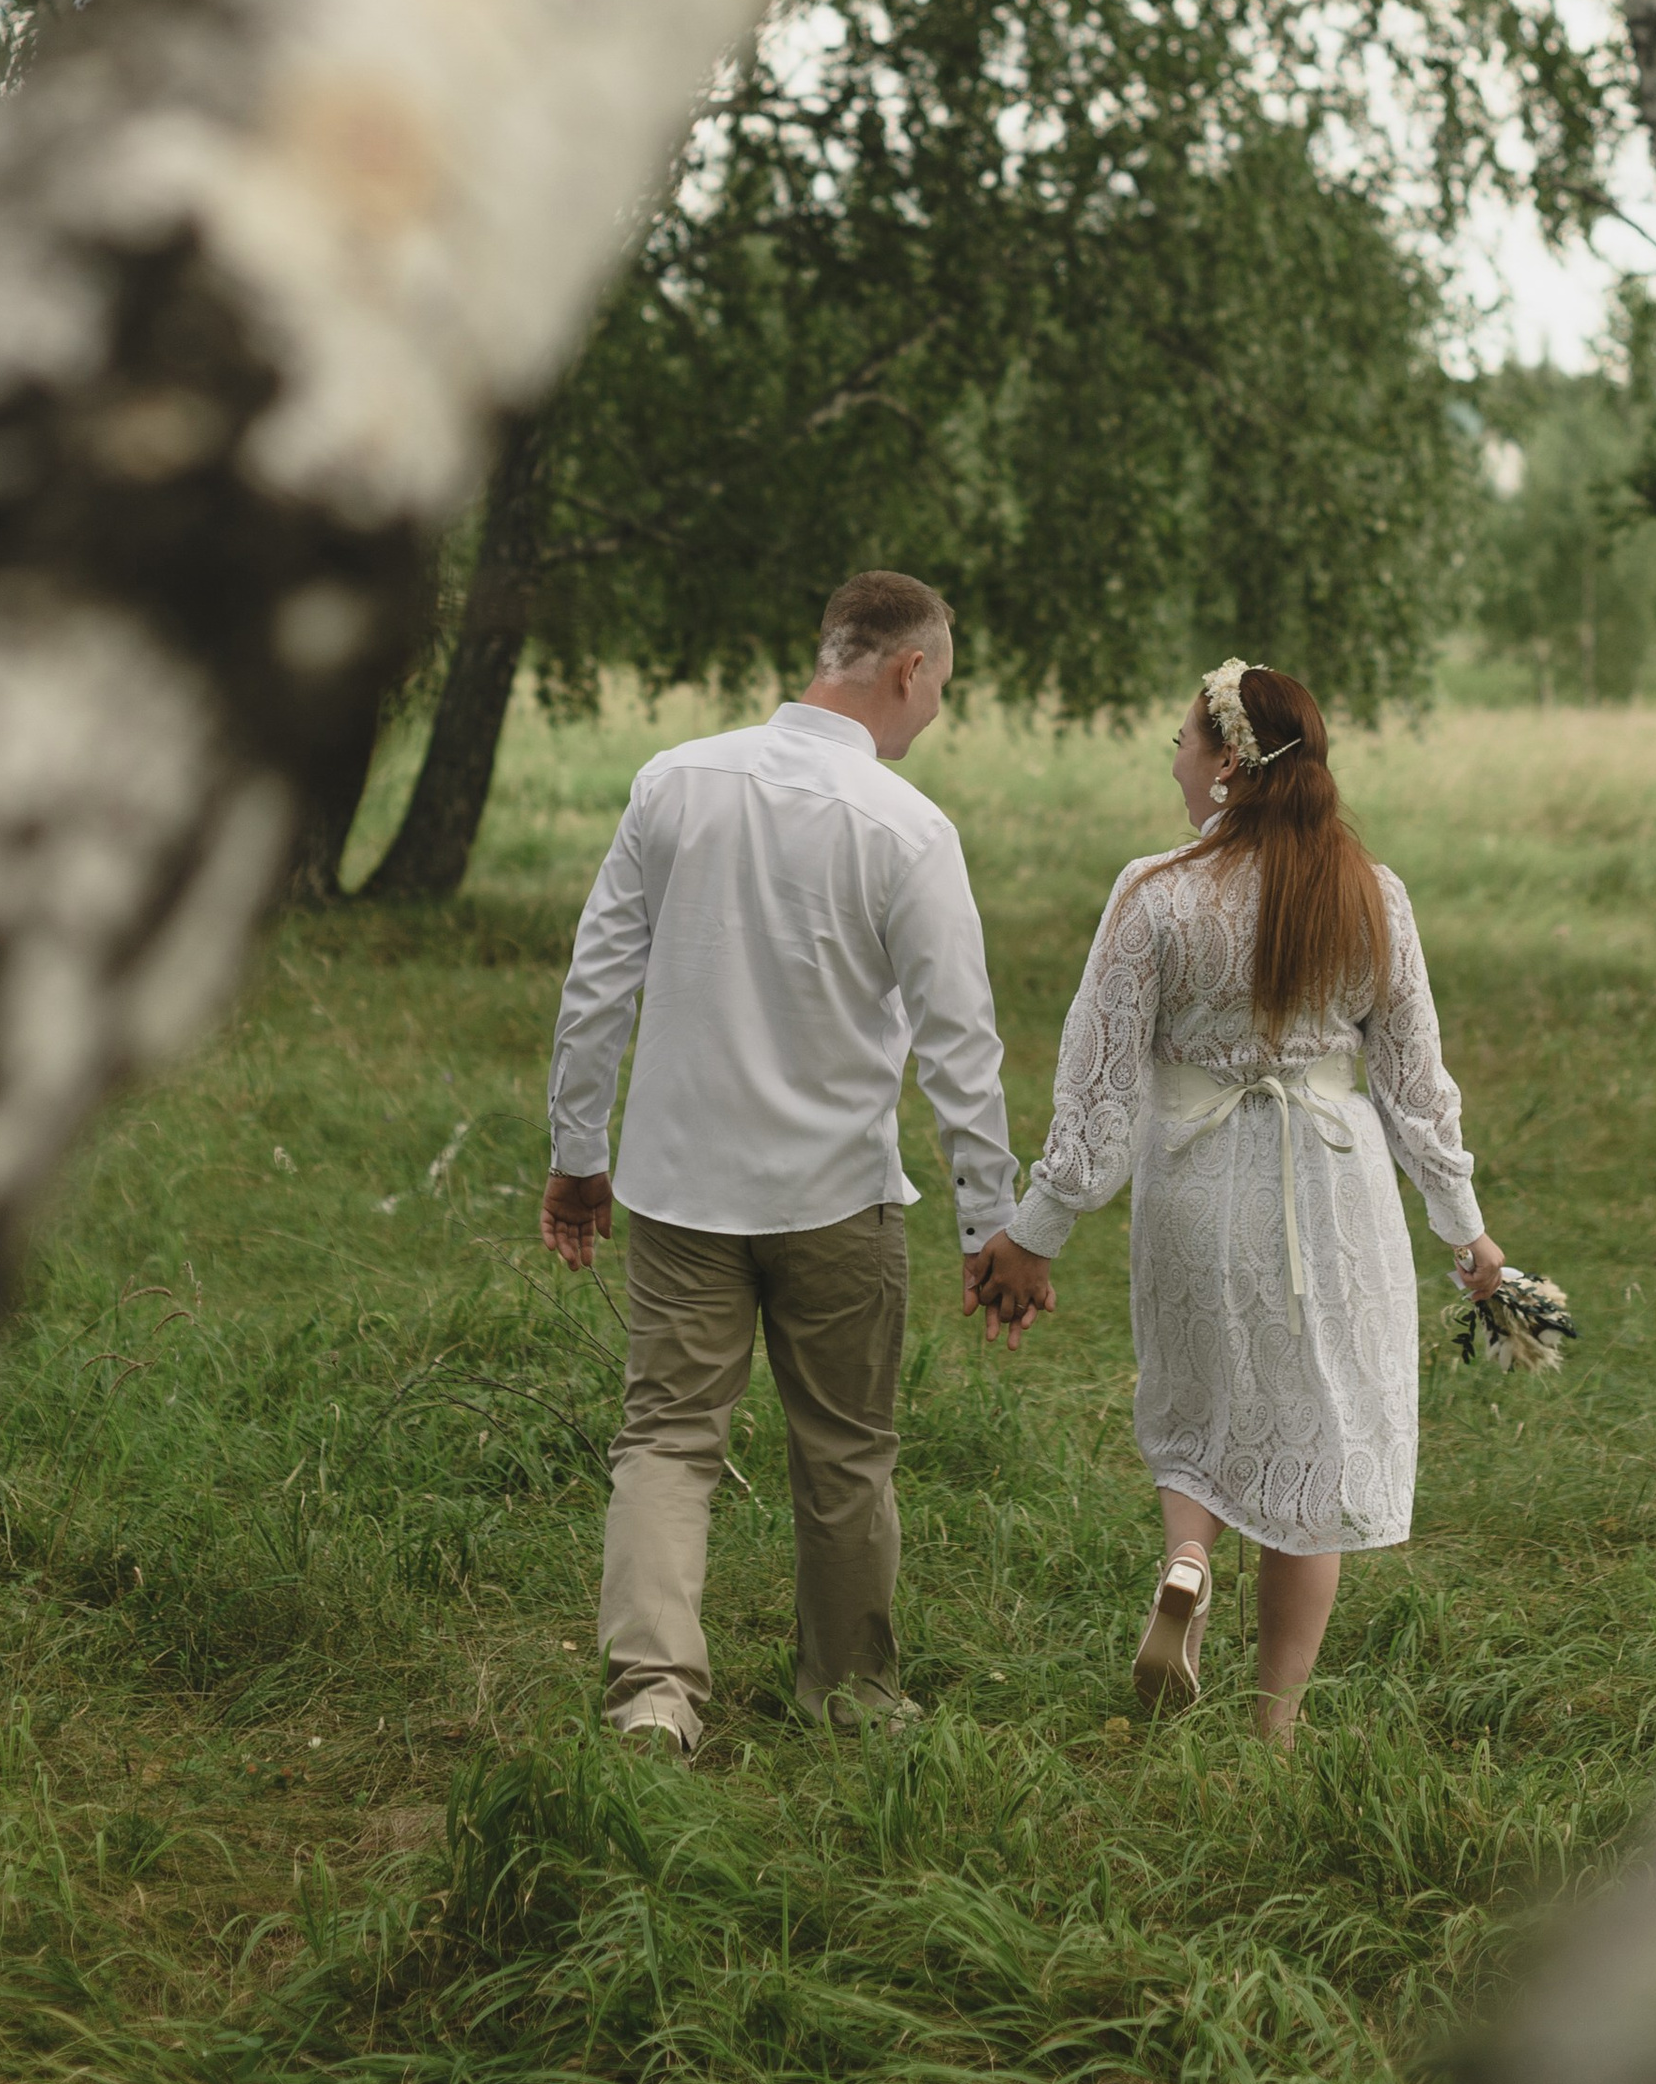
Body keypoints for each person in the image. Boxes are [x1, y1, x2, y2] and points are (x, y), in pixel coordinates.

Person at [542, 570, 1037, 1755]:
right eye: (941, 688)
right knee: (846, 1452)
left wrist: (576, 1150)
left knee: (664, 1437)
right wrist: (990, 1223)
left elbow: (598, 978)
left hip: (675, 1183)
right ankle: (851, 1694)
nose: (934, 716)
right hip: (835, 1198)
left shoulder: (675, 782)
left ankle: (654, 1695)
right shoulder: (906, 828)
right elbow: (959, 1043)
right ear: (906, 666)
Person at [965, 659, 1503, 1744]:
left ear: (1225, 765)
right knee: (1314, 1436)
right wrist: (1465, 1224)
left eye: (1179, 740)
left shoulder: (1155, 893)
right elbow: (1412, 1085)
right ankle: (1275, 1722)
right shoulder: (1371, 891)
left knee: (1199, 1403)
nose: (1171, 758)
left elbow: (1098, 1088)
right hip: (1337, 1191)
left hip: (1200, 1186)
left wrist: (1034, 1232)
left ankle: (1189, 1554)